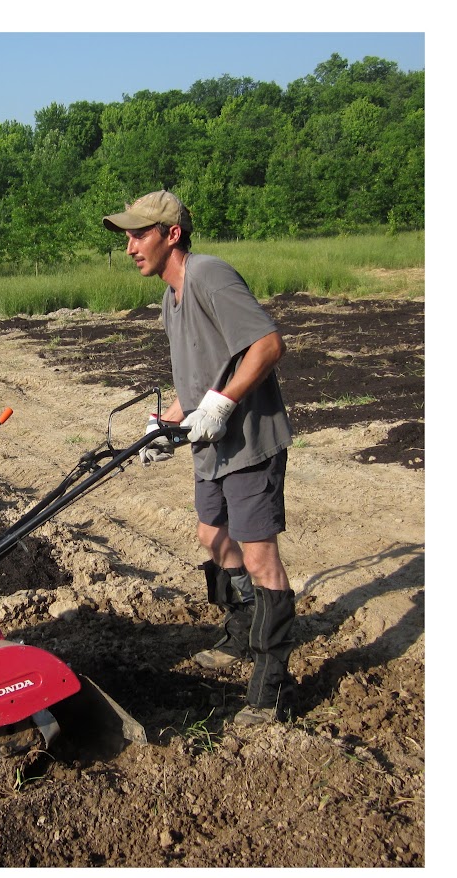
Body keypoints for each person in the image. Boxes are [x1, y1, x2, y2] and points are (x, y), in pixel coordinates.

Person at [103, 190, 297, 726]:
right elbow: (194, 384)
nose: (129, 247)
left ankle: (272, 687)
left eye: (138, 234)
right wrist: (161, 424)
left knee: (259, 558)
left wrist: (224, 401)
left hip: (248, 440)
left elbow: (268, 345)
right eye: (126, 236)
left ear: (171, 234)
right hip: (211, 443)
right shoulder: (170, 300)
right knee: (212, 537)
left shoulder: (211, 275)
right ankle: (239, 634)